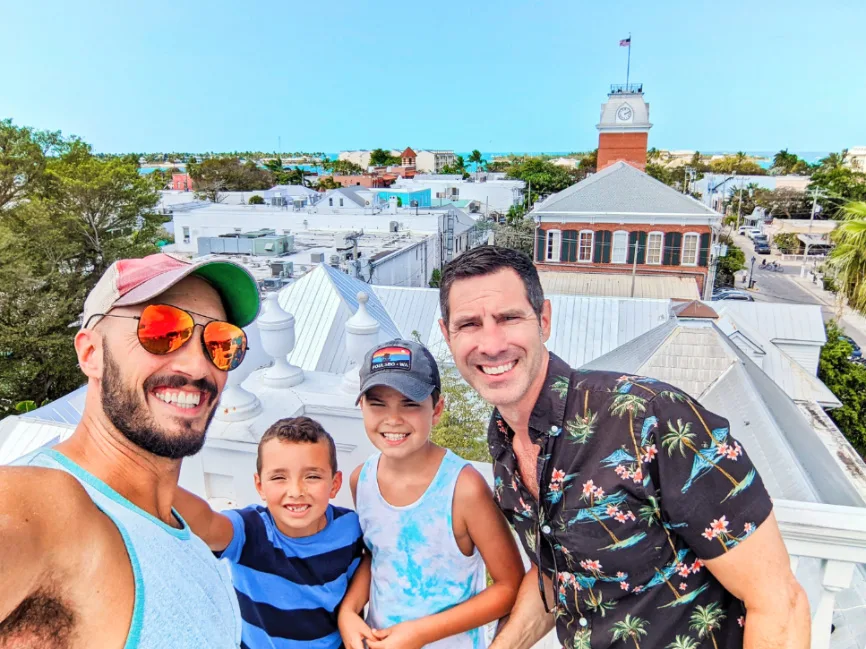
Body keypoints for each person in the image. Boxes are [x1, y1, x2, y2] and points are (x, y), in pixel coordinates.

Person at [437, 246, 810, 649]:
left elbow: (779, 604)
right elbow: (556, 573)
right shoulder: (505, 444)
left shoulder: (651, 419)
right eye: (469, 324)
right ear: (447, 335)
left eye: (508, 318)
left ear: (543, 321)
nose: (491, 344)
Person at [0, 252, 261, 648]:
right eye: (161, 331)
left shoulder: (173, 524)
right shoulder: (46, 507)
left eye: (220, 343)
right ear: (91, 353)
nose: (197, 366)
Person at [338, 339, 524, 649]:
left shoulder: (463, 489)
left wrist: (420, 634)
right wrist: (348, 611)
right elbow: (377, 553)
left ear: (436, 410)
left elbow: (509, 586)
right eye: (377, 403)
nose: (393, 418)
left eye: (410, 403)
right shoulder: (362, 480)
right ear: (362, 407)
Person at [173, 417, 364, 649]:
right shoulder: (248, 531)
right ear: (260, 486)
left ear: (335, 484)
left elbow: (371, 563)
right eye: (278, 478)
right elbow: (207, 523)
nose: (296, 491)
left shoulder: (351, 527)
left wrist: (350, 611)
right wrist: (145, 476)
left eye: (312, 476)